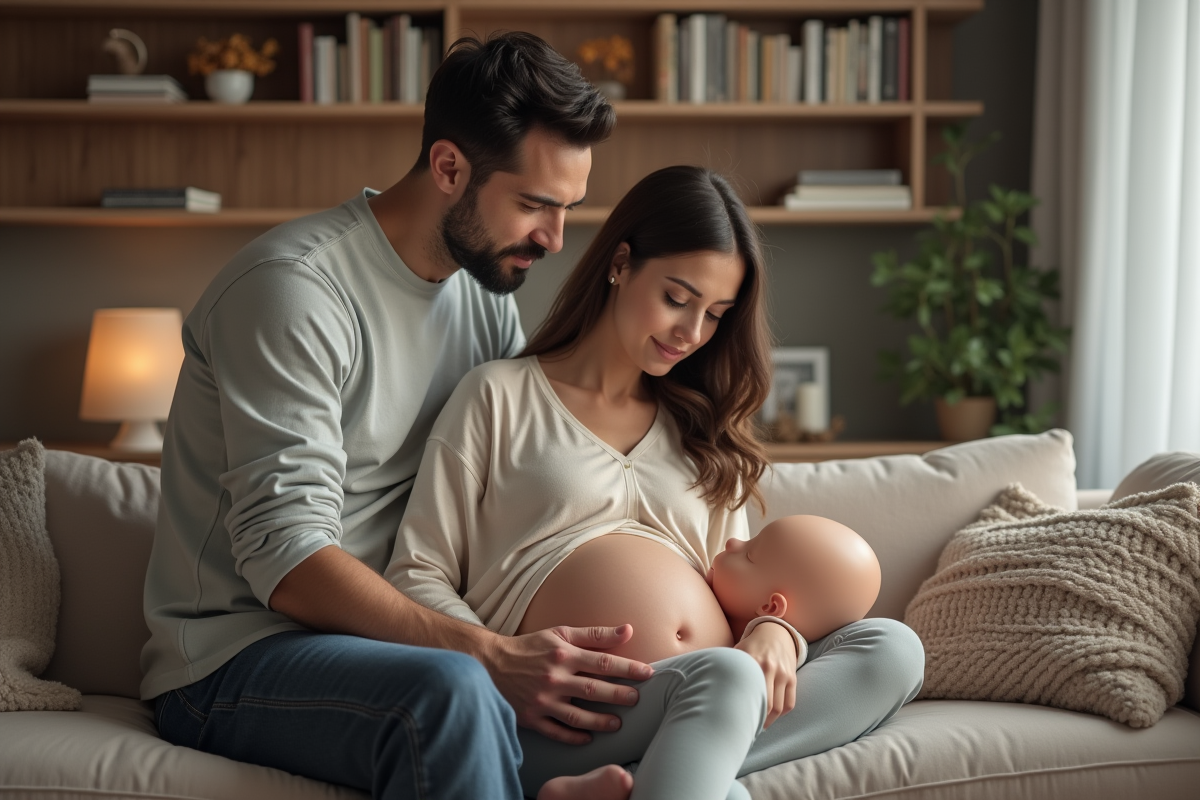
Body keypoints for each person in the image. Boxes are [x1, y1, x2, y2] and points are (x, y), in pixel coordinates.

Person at [141, 33, 660, 800]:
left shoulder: (486, 298)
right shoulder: (296, 290)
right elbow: (284, 557)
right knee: (453, 693)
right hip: (238, 653)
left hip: (413, 638)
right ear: (449, 168)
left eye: (569, 209)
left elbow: (512, 487)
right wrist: (486, 653)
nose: (554, 240)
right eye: (534, 205)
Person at [387, 165, 926, 800]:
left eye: (715, 315)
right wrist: (505, 659)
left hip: (708, 692)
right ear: (621, 263)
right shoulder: (498, 397)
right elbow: (414, 572)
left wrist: (779, 630)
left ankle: (657, 779)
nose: (691, 334)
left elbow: (745, 589)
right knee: (726, 682)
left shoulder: (703, 431)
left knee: (892, 649)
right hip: (566, 711)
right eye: (677, 298)